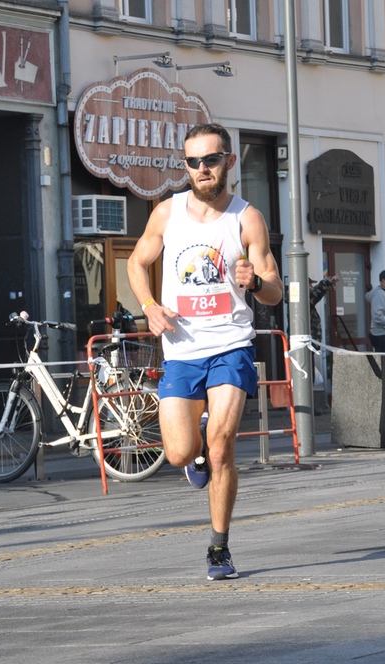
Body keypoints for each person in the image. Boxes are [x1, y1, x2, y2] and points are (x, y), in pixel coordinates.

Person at [128, 123, 281, 581]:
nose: (202, 169)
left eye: (210, 160)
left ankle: (219, 547)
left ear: (229, 162)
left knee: (222, 446)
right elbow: (137, 262)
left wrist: (256, 282)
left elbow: (274, 290)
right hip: (181, 349)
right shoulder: (166, 213)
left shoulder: (247, 219)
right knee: (179, 453)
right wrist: (149, 307)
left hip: (231, 345)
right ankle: (193, 450)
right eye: (193, 162)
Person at [309, 272, 341, 345]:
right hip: (308, 343)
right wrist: (329, 281)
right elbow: (316, 292)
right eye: (310, 284)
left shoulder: (307, 301)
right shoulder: (304, 299)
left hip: (311, 343)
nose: (312, 286)